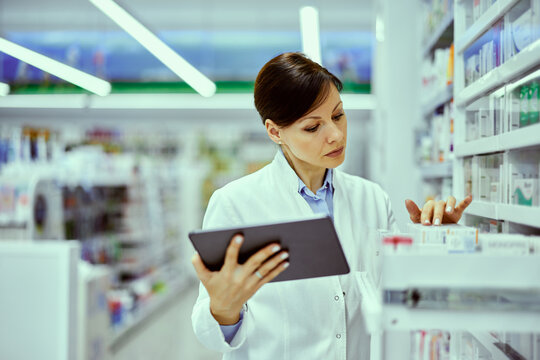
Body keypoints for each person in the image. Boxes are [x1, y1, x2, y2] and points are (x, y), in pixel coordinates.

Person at [191, 52, 472, 359]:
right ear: (275, 132)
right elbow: (211, 333)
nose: (336, 135)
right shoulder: (235, 204)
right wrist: (224, 312)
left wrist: (437, 242)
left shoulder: (372, 198)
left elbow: (403, 296)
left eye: (338, 116)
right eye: (313, 127)